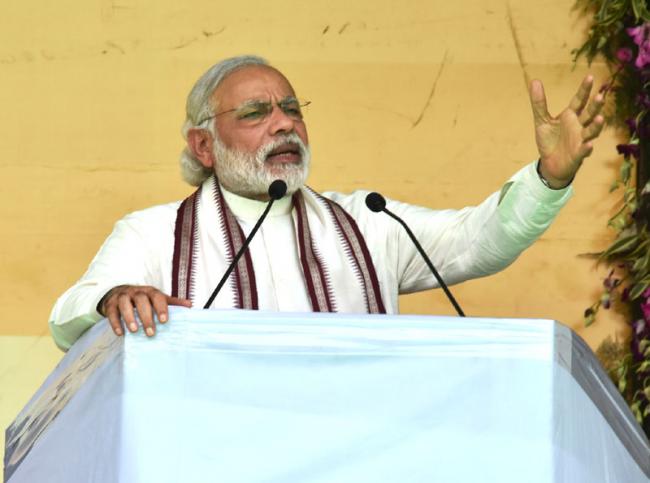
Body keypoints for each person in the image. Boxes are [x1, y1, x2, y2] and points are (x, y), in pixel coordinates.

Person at [49, 55, 604, 351]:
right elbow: (71, 314)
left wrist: (547, 179)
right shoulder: (153, 234)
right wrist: (115, 299)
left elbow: (476, 241)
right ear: (203, 146)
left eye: (291, 108)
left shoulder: (368, 222)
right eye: (256, 113)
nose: (285, 122)